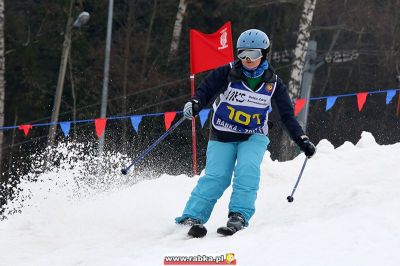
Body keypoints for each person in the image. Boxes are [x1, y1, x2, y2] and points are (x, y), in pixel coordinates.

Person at [175, 29, 316, 235]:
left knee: (247, 170)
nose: (248, 60)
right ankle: (192, 216)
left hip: (253, 135)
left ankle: (239, 215)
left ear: (264, 55)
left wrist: (301, 140)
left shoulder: (273, 83)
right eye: (243, 55)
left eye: (253, 55)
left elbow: (286, 116)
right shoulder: (227, 72)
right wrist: (194, 103)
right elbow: (205, 90)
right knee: (217, 176)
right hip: (222, 132)